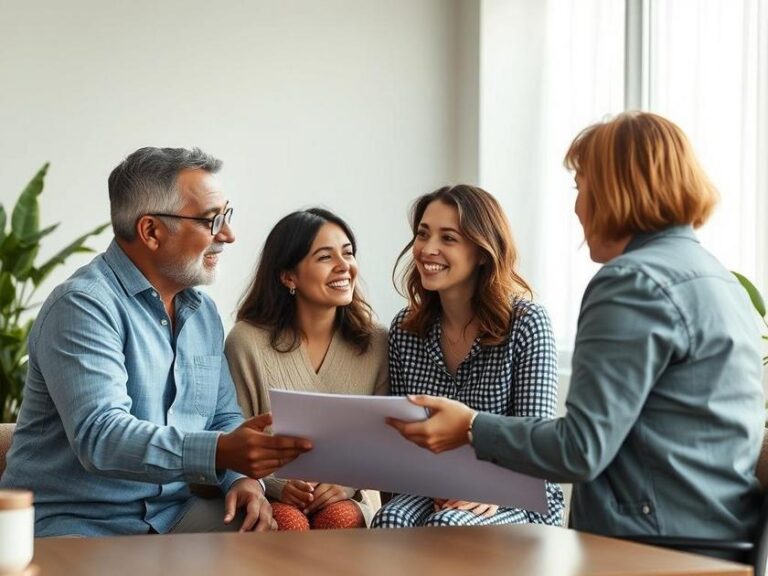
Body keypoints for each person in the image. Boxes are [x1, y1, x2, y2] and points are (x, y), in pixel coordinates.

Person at [387, 112, 765, 555]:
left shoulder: (632, 283)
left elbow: (580, 449)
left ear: (615, 190)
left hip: (650, 544)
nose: (577, 206)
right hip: (721, 538)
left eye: (581, 186)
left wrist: (471, 426)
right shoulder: (719, 279)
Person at [0, 147, 312, 537]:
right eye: (212, 221)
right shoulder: (82, 306)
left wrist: (241, 480)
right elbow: (102, 436)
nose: (228, 235)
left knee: (282, 544)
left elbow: (223, 417)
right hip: (77, 521)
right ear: (151, 231)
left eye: (226, 216)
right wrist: (219, 451)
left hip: (172, 514)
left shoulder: (203, 313)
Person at [371, 184, 564, 529]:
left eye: (448, 238)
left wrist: (490, 489)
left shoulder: (527, 323)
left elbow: (536, 442)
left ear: (481, 251)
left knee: (449, 525)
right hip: (433, 485)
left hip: (518, 489)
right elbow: (406, 438)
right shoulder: (405, 328)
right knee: (390, 519)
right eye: (423, 234)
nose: (428, 249)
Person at [225, 208, 388, 530]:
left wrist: (347, 484)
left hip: (346, 495)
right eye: (325, 257)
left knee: (341, 517)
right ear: (289, 276)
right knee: (287, 522)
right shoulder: (246, 341)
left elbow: (381, 442)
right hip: (268, 494)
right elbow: (233, 434)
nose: (344, 266)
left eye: (348, 253)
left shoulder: (376, 343)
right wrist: (277, 485)